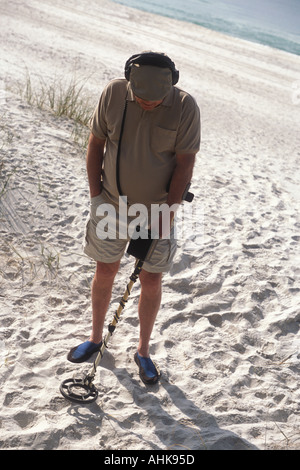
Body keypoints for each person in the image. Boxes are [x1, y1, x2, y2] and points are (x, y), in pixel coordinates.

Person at [67, 52, 201, 384]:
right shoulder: (114, 93)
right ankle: (96, 339)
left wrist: (167, 214)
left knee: (151, 280)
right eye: (141, 98)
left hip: (157, 210)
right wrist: (96, 196)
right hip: (111, 205)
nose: (148, 104)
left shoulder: (186, 107)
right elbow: (95, 144)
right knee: (105, 270)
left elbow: (185, 165)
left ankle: (142, 351)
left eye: (155, 100)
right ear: (130, 82)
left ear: (172, 85)